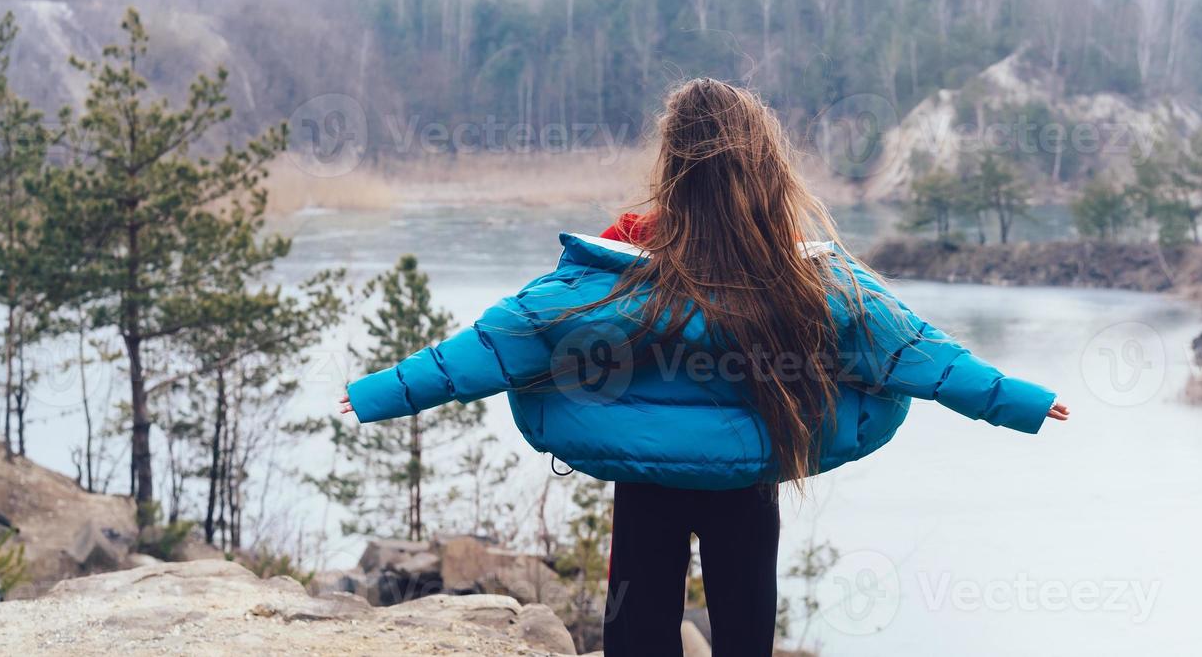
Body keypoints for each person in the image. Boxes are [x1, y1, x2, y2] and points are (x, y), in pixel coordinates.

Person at [340, 77, 1068, 656]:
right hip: (750, 470)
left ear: (673, 163)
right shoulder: (794, 266)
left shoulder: (625, 255)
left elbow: (498, 344)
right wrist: (1020, 400)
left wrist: (378, 394)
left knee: (638, 628)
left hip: (647, 476)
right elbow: (915, 353)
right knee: (746, 626)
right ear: (761, 165)